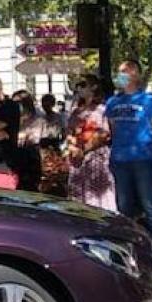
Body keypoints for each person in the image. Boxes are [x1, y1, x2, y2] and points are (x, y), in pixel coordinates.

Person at [102, 60, 152, 250]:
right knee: (124, 206)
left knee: (149, 204)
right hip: (120, 159)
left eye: (125, 72)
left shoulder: (149, 101)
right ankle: (129, 245)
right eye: (119, 71)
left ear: (135, 75)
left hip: (143, 159)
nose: (120, 75)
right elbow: (112, 130)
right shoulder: (113, 102)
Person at [63, 76, 116, 210]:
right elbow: (69, 132)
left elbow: (104, 134)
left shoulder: (102, 110)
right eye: (78, 85)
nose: (79, 88)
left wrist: (84, 150)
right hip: (77, 160)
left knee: (97, 196)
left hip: (95, 157)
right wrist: (72, 146)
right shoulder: (76, 112)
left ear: (94, 87)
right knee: (77, 196)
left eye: (83, 84)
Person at [11, 90, 46, 192]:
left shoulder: (38, 119)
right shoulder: (13, 119)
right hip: (14, 156)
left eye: (18, 103)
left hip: (30, 156)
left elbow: (33, 138)